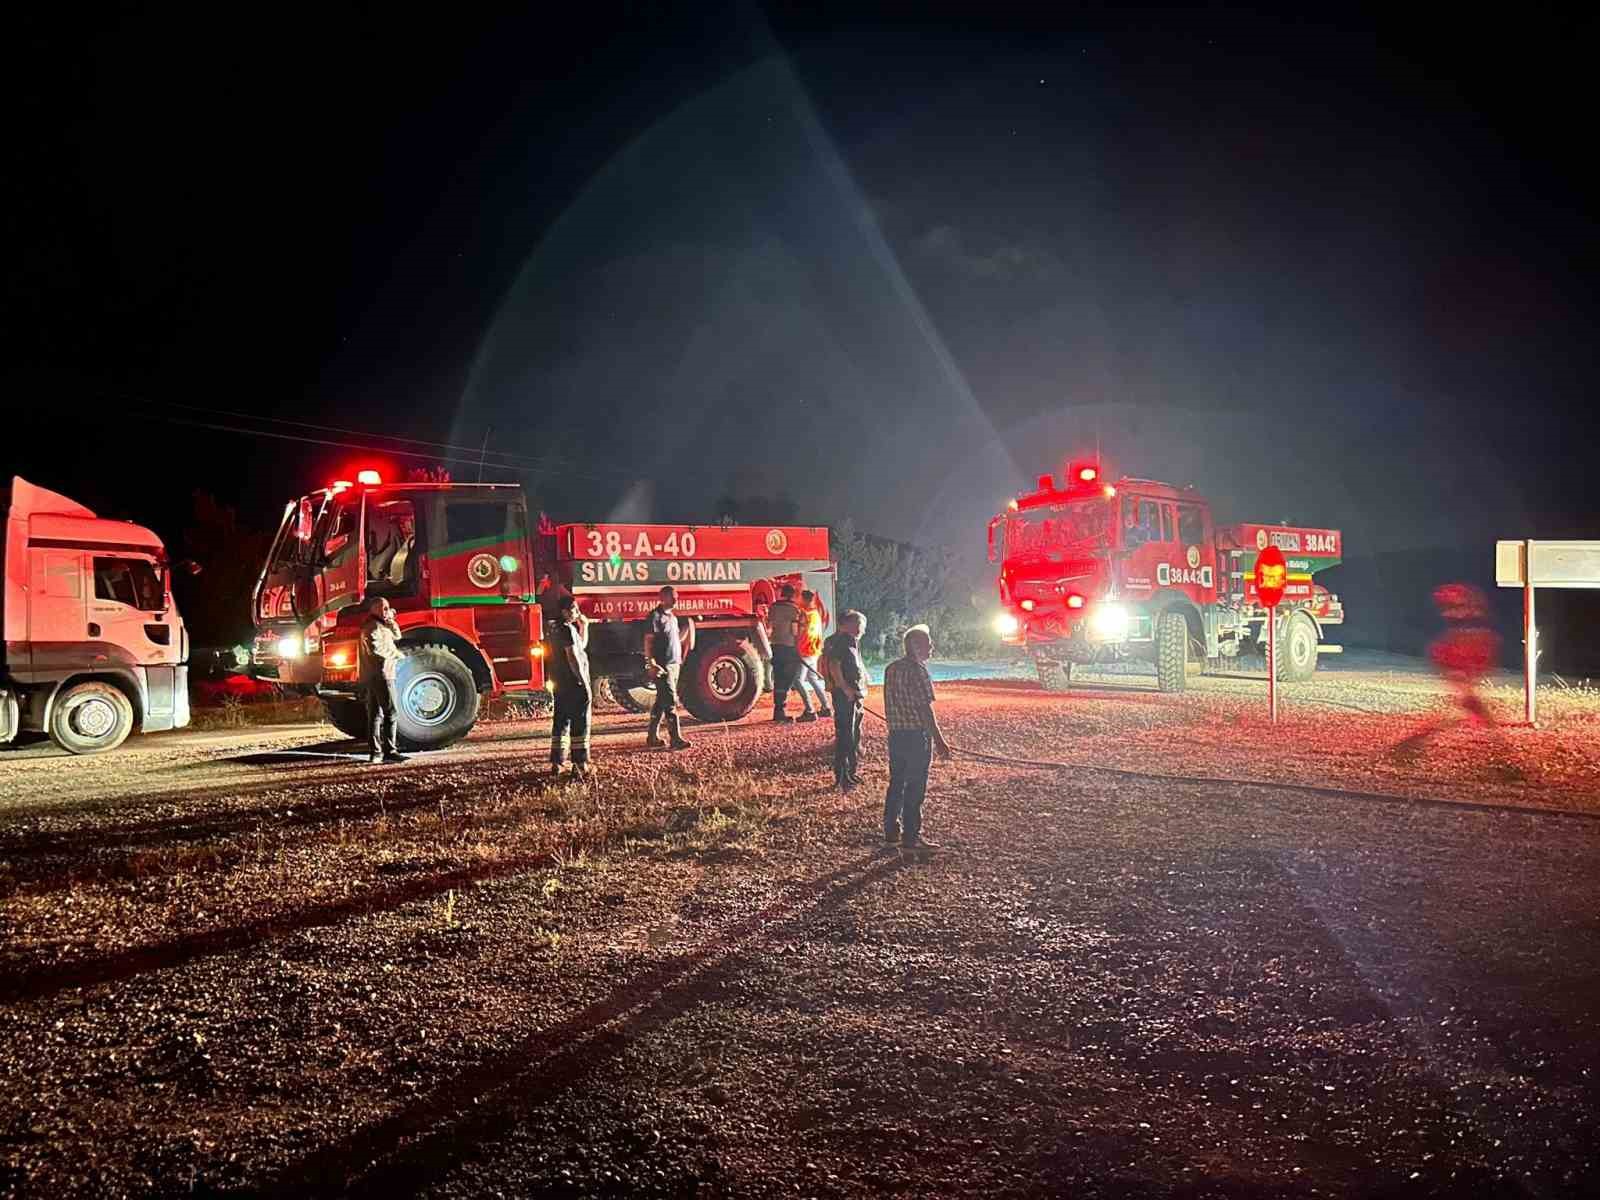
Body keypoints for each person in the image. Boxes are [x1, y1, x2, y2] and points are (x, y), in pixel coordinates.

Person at [1393, 583, 1511, 766]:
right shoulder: (1463, 631)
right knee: (1468, 717)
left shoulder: (1468, 630)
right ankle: (1502, 758)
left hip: (1462, 674)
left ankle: (1407, 748)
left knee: (1461, 717)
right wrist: (1462, 679)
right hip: (1461, 675)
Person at [881, 624, 951, 852]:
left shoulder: (891, 668)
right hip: (915, 736)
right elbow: (925, 709)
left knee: (896, 782)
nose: (931, 647)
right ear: (915, 646)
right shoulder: (918, 671)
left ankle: (891, 830)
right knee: (915, 786)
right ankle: (911, 837)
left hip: (896, 735)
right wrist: (939, 740)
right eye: (927, 643)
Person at [358, 594, 408, 765]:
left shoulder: (381, 624)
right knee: (390, 712)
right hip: (382, 675)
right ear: (374, 609)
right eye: (383, 608)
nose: (387, 611)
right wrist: (399, 655)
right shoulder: (372, 628)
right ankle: (390, 752)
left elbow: (397, 636)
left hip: (378, 675)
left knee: (375, 715)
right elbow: (377, 651)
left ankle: (376, 753)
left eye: (388, 607)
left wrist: (391, 621)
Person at [548, 595, 593, 778]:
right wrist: (583, 681)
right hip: (573, 682)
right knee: (580, 721)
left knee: (561, 721)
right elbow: (573, 656)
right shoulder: (566, 630)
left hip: (560, 682)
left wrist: (585, 626)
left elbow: (581, 645)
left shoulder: (558, 629)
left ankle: (557, 762)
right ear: (564, 611)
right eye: (574, 609)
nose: (577, 612)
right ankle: (580, 764)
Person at [822, 610, 867, 790]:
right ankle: (843, 776)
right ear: (849, 624)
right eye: (860, 625)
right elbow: (834, 665)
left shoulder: (845, 641)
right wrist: (846, 688)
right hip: (845, 695)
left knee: (852, 734)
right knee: (846, 735)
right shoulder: (842, 641)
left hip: (851, 694)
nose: (862, 629)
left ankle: (850, 773)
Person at [643, 585, 692, 750]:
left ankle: (652, 737)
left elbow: (674, 639)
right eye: (672, 596)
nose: (676, 599)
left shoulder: (673, 617)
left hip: (673, 664)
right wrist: (651, 663)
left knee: (661, 701)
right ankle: (676, 739)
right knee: (670, 702)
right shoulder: (655, 617)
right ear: (662, 598)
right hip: (662, 666)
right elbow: (648, 641)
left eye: (676, 596)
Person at [766, 584, 811, 722]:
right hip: (789, 647)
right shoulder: (795, 610)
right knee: (787, 680)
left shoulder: (773, 608)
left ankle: (777, 710)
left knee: (778, 678)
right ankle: (781, 711)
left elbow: (769, 625)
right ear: (792, 595)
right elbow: (796, 631)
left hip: (775, 646)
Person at [796, 589, 833, 718]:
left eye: (800, 598)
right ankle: (826, 706)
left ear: (805, 600)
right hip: (814, 650)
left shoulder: (804, 615)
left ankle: (809, 710)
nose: (798, 600)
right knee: (812, 678)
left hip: (804, 650)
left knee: (798, 681)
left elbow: (800, 633)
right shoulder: (816, 614)